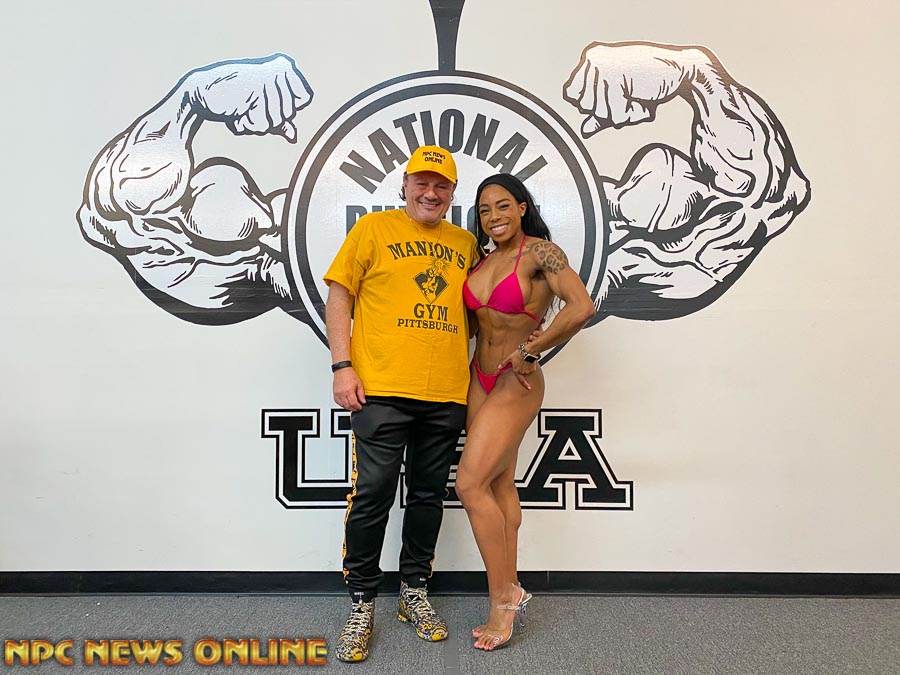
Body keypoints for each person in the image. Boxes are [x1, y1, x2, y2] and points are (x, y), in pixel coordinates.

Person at [323, 146, 480, 663]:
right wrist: (341, 365)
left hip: (445, 390)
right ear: (405, 184)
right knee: (372, 494)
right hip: (382, 388)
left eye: (441, 186)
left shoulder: (465, 244)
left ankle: (414, 591)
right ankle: (362, 602)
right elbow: (340, 295)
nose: (431, 193)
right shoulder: (372, 229)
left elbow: (482, 311)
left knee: (428, 497)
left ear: (452, 194)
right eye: (422, 182)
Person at [455, 173, 596, 651]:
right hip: (479, 377)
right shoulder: (482, 260)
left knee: (468, 484)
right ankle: (508, 586)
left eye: (502, 206)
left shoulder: (541, 253)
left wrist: (533, 350)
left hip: (516, 382)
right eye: (484, 210)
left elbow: (580, 306)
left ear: (521, 207)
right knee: (498, 486)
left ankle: (504, 599)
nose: (493, 216)